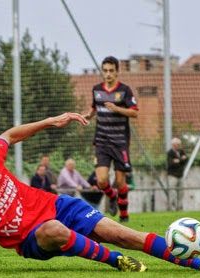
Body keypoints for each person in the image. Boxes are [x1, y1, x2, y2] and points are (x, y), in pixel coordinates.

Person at [0, 113, 200, 274]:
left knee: (124, 234)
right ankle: (115, 261)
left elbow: (9, 135)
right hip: (32, 240)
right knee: (54, 230)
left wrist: (52, 121)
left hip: (59, 205)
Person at [83, 56, 137, 222]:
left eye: (111, 71)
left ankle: (124, 215)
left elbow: (134, 112)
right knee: (101, 180)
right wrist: (87, 116)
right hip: (102, 141)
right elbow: (94, 107)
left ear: (117, 72)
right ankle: (111, 196)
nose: (108, 74)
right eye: (105, 70)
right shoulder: (96, 90)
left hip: (120, 141)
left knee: (121, 181)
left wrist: (116, 108)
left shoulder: (125, 91)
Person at [167, 137, 188, 211]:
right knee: (172, 192)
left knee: (181, 192)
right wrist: (180, 160)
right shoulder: (170, 153)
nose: (178, 146)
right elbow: (171, 163)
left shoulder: (181, 151)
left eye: (179, 144)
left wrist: (178, 160)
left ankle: (179, 207)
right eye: (176, 144)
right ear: (173, 145)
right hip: (173, 175)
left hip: (180, 175)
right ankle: (171, 208)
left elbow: (185, 160)